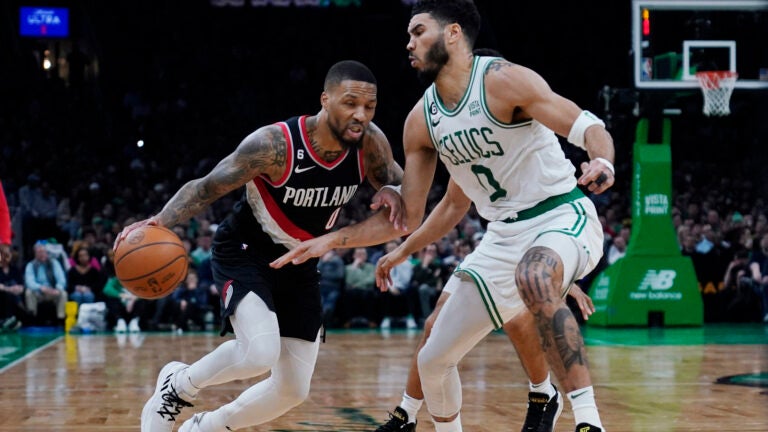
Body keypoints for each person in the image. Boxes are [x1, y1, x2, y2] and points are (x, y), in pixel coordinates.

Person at [272, 2, 615, 431]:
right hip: (502, 238)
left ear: (453, 33)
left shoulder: (503, 81)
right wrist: (335, 240)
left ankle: (588, 420)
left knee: (535, 275)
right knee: (432, 357)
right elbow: (418, 213)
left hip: (560, 213)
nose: (409, 43)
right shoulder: (422, 120)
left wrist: (603, 162)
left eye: (418, 32)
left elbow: (585, 125)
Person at [117, 60, 405, 432]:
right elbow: (206, 187)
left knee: (292, 389)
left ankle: (206, 427)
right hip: (245, 249)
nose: (360, 115)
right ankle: (177, 386)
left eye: (369, 107)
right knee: (259, 351)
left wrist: (395, 190)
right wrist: (160, 220)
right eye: (350, 103)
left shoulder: (370, 145)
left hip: (301, 262)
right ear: (325, 100)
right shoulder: (274, 145)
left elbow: (406, 196)